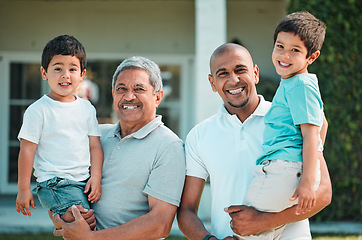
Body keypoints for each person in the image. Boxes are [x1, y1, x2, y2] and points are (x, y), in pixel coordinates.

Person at [177, 43, 331, 240]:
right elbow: (186, 211)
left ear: (255, 73)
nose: (233, 80)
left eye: (240, 70)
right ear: (212, 83)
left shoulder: (293, 117)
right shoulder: (199, 135)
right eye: (222, 73)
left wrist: (264, 222)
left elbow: (323, 194)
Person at [53, 56, 186, 240]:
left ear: (158, 97)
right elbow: (61, 179)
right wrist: (65, 219)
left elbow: (160, 224)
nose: (129, 96)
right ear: (113, 94)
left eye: (139, 89)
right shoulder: (96, 136)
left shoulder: (169, 146)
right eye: (121, 89)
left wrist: (91, 239)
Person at [240, 12, 327, 240]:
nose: (284, 55)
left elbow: (311, 134)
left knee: (245, 227)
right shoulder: (293, 83)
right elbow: (323, 125)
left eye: (295, 50)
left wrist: (308, 181)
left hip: (284, 169)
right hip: (289, 169)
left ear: (312, 57)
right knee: (264, 231)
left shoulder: (300, 84)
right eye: (280, 46)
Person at [16, 35, 103, 228]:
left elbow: (95, 146)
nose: (65, 75)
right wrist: (23, 188)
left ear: (82, 74)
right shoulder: (38, 110)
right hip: (53, 183)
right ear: (44, 72)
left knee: (91, 225)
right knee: (83, 225)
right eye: (58, 68)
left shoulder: (87, 108)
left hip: (83, 181)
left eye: (72, 69)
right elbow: (27, 150)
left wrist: (95, 177)